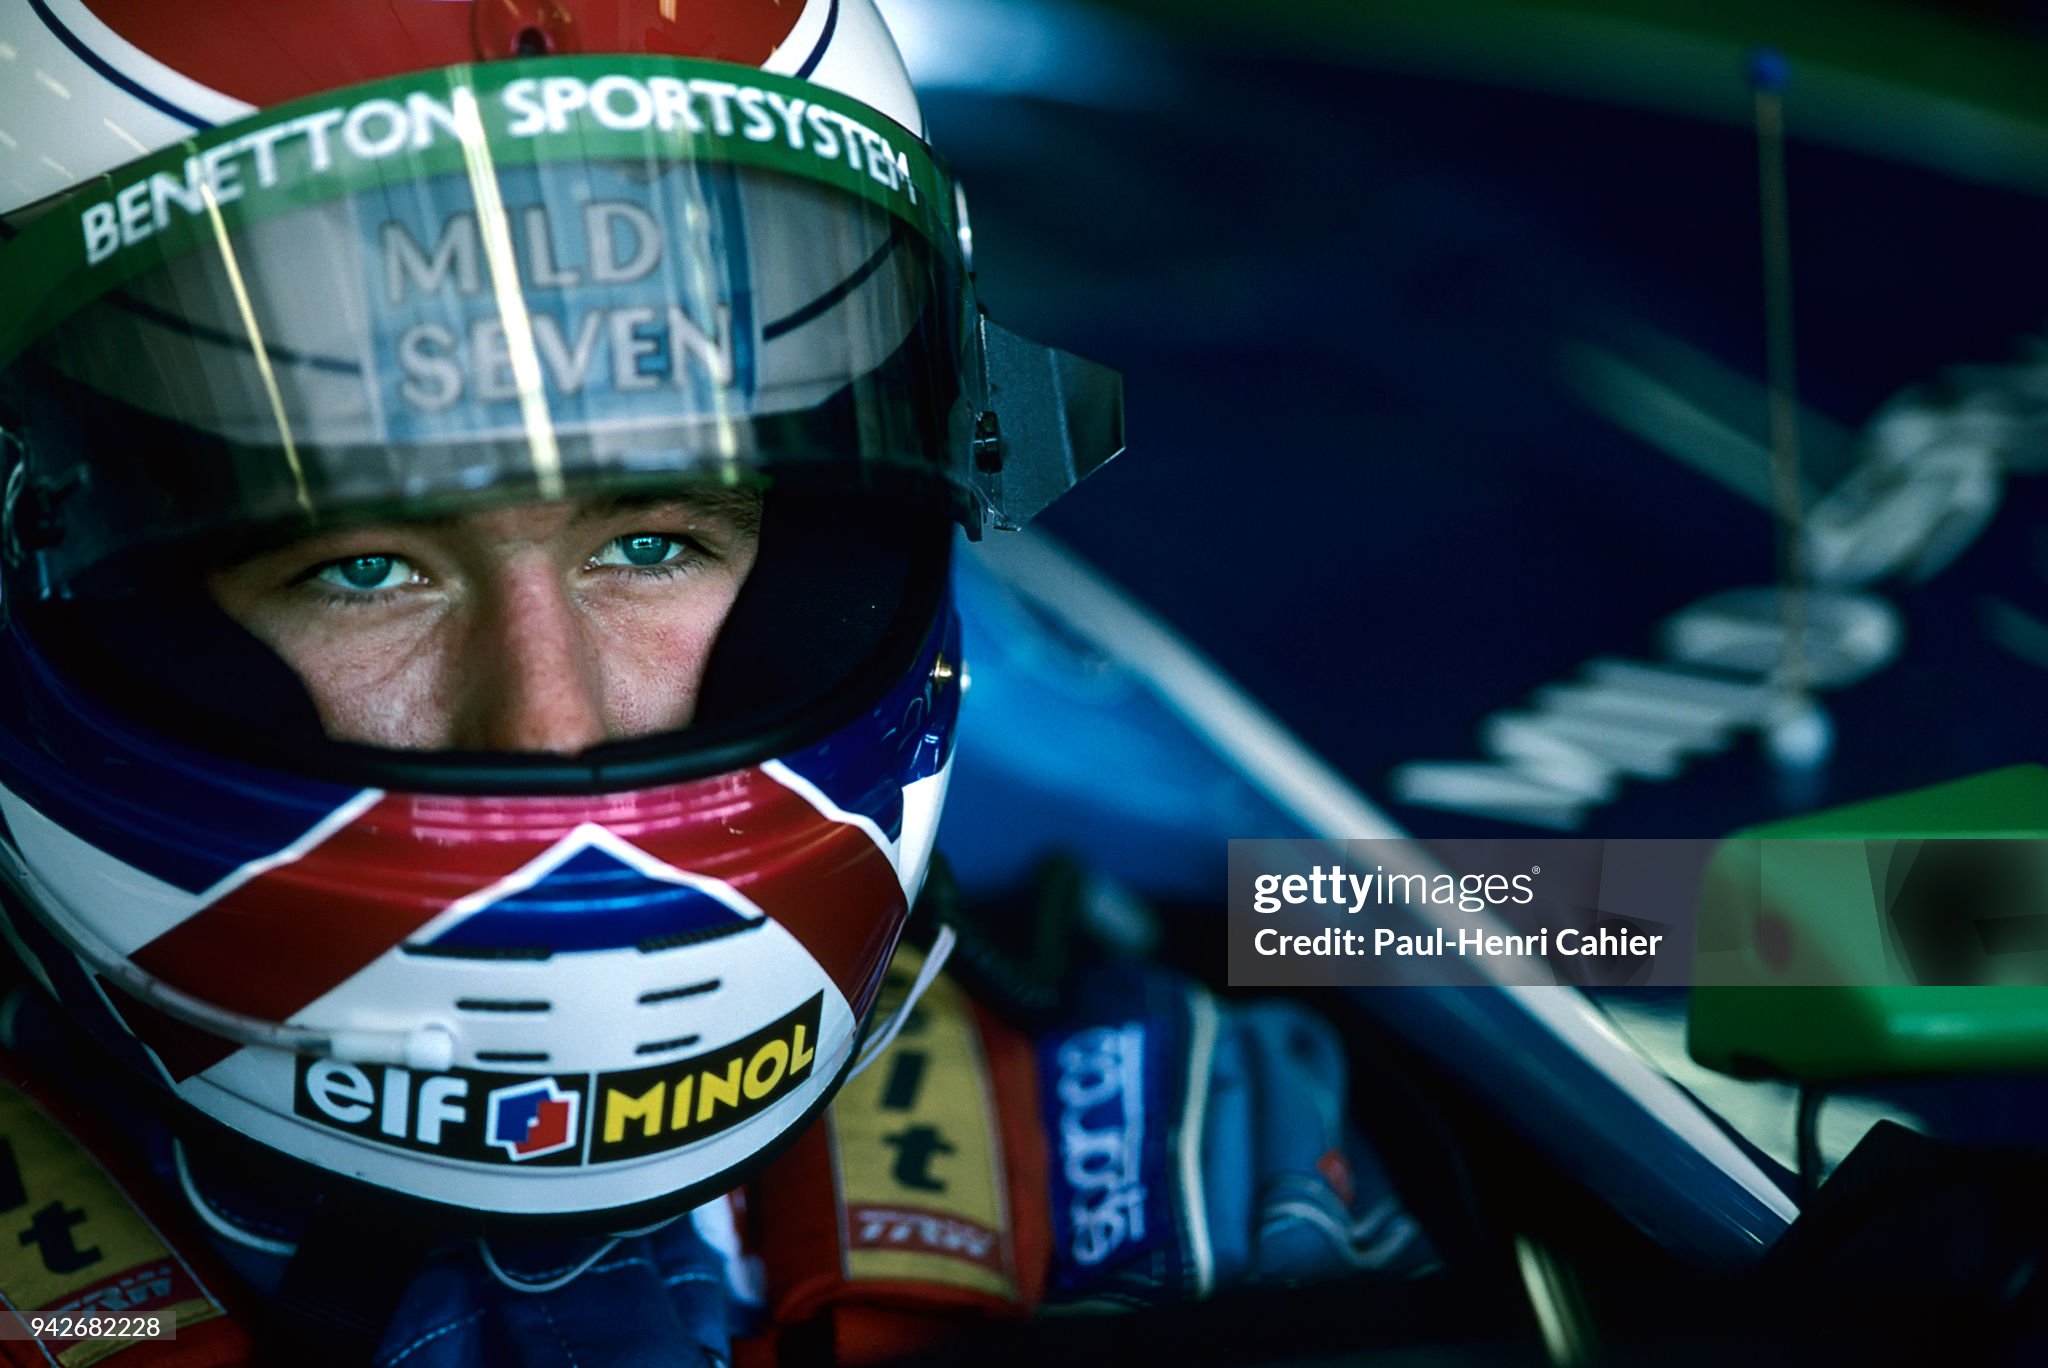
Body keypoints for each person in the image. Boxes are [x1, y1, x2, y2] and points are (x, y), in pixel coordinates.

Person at [0, 3, 1427, 1363]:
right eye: (363, 567)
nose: (558, 722)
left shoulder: (1160, 1156)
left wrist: (1616, 923)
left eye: (647, 539)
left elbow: (1635, 926)